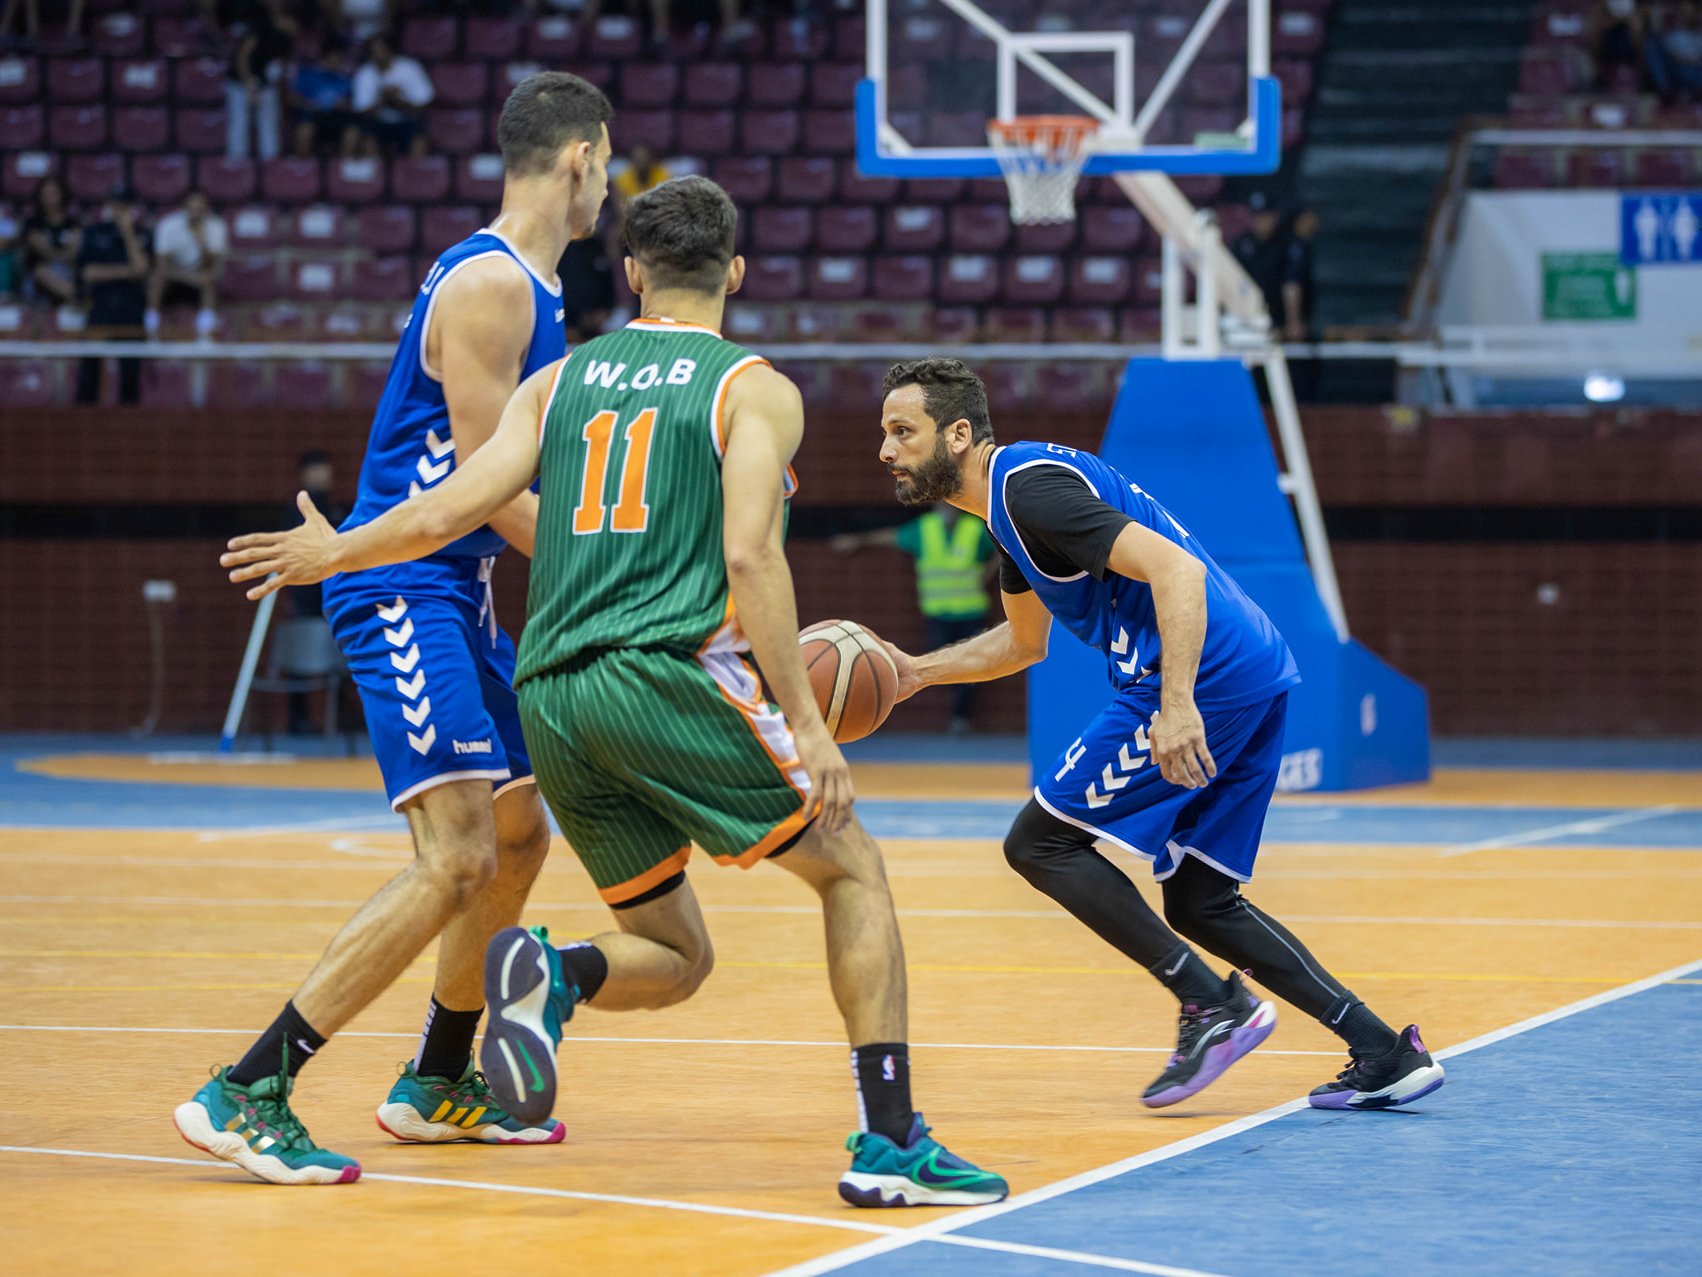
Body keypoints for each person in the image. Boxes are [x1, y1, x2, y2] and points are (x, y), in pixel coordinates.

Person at [219, 175, 1007, 1208]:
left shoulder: (561, 381)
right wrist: (808, 723)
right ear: (732, 271)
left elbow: (453, 500)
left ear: (632, 274)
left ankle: (560, 972)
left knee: (677, 950)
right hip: (657, 677)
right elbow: (752, 558)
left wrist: (341, 549)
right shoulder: (753, 387)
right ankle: (892, 1140)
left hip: (550, 695)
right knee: (851, 867)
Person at [173, 71, 612, 1186]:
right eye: (607, 163)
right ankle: (249, 1085)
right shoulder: (494, 285)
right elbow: (480, 484)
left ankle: (436, 1077)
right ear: (581, 157)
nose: (608, 181)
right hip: (401, 584)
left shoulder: (532, 289)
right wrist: (617, 575)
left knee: (518, 833)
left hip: (452, 590)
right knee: (458, 851)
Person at [866, 357, 1447, 1113]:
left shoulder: (1028, 490)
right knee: (1201, 900)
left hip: (1203, 674)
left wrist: (1175, 704)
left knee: (1038, 843)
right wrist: (913, 671)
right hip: (1251, 667)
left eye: (902, 431)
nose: (885, 449)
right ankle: (1382, 1051)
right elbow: (1021, 644)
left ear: (959, 433)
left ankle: (1213, 1006)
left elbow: (1175, 571)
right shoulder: (1012, 513)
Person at [832, 504, 995, 733]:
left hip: (971, 610)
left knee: (974, 666)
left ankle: (961, 716)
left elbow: (1003, 549)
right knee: (944, 661)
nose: (947, 510)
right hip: (938, 613)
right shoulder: (925, 529)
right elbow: (890, 536)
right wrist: (858, 540)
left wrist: (988, 572)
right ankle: (958, 710)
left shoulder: (975, 529)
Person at [284, 449, 349, 734]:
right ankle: (297, 718)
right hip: (306, 601)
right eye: (316, 469)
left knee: (347, 657)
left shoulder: (338, 511)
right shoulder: (293, 514)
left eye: (325, 468)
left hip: (338, 600)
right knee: (298, 660)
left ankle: (344, 715)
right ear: (304, 474)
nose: (323, 474)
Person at [74, 187, 148, 405]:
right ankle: (83, 420)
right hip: (100, 307)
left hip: (132, 309)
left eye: (125, 206)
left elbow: (142, 270)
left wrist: (127, 233)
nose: (119, 211)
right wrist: (127, 271)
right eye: (116, 205)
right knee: (89, 372)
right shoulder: (94, 232)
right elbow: (89, 273)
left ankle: (131, 426)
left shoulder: (141, 234)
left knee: (130, 374)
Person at [147, 192, 227, 341]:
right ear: (183, 209)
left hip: (199, 277)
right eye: (192, 209)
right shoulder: (168, 225)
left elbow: (210, 265)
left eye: (200, 210)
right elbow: (161, 265)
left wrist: (201, 240)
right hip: (174, 276)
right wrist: (189, 277)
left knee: (208, 280)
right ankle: (151, 329)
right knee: (156, 279)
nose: (195, 213)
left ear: (206, 211)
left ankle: (205, 334)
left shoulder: (216, 227)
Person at [221, 0, 294, 160]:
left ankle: (270, 167)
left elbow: (279, 66)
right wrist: (249, 84)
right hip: (240, 82)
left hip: (266, 84)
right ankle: (237, 165)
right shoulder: (262, 26)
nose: (291, 26)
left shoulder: (288, 39)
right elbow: (243, 56)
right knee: (239, 124)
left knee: (269, 125)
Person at [351, 33, 434, 157]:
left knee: (419, 134)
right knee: (364, 134)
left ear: (390, 50)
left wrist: (399, 100)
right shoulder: (365, 73)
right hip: (378, 122)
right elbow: (361, 110)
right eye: (374, 52)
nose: (378, 55)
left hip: (406, 120)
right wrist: (381, 98)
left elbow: (424, 103)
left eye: (381, 50)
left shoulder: (410, 68)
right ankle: (375, 175)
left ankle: (417, 174)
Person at [288, 31, 358, 157]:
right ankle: (303, 173)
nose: (337, 61)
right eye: (334, 57)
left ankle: (341, 174)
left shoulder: (345, 80)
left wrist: (345, 105)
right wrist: (308, 103)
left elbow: (354, 105)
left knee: (351, 133)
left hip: (337, 119)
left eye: (340, 58)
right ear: (325, 57)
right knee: (304, 131)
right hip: (313, 118)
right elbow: (292, 99)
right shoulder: (308, 75)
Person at [22, 176, 79, 309]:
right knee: (42, 271)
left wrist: (59, 254)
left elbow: (75, 253)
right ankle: (77, 297)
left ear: (62, 195)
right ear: (40, 196)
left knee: (83, 271)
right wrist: (64, 253)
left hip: (67, 271)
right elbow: (44, 252)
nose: (50, 197)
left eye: (53, 193)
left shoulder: (72, 223)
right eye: (46, 193)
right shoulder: (33, 224)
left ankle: (75, 296)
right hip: (38, 280)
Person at [1230, 191, 1285, 327]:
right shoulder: (1241, 243)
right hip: (1245, 315)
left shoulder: (1285, 243)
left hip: (1278, 314)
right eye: (1257, 216)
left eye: (1265, 216)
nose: (1261, 221)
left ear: (1275, 216)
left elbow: (1292, 283)